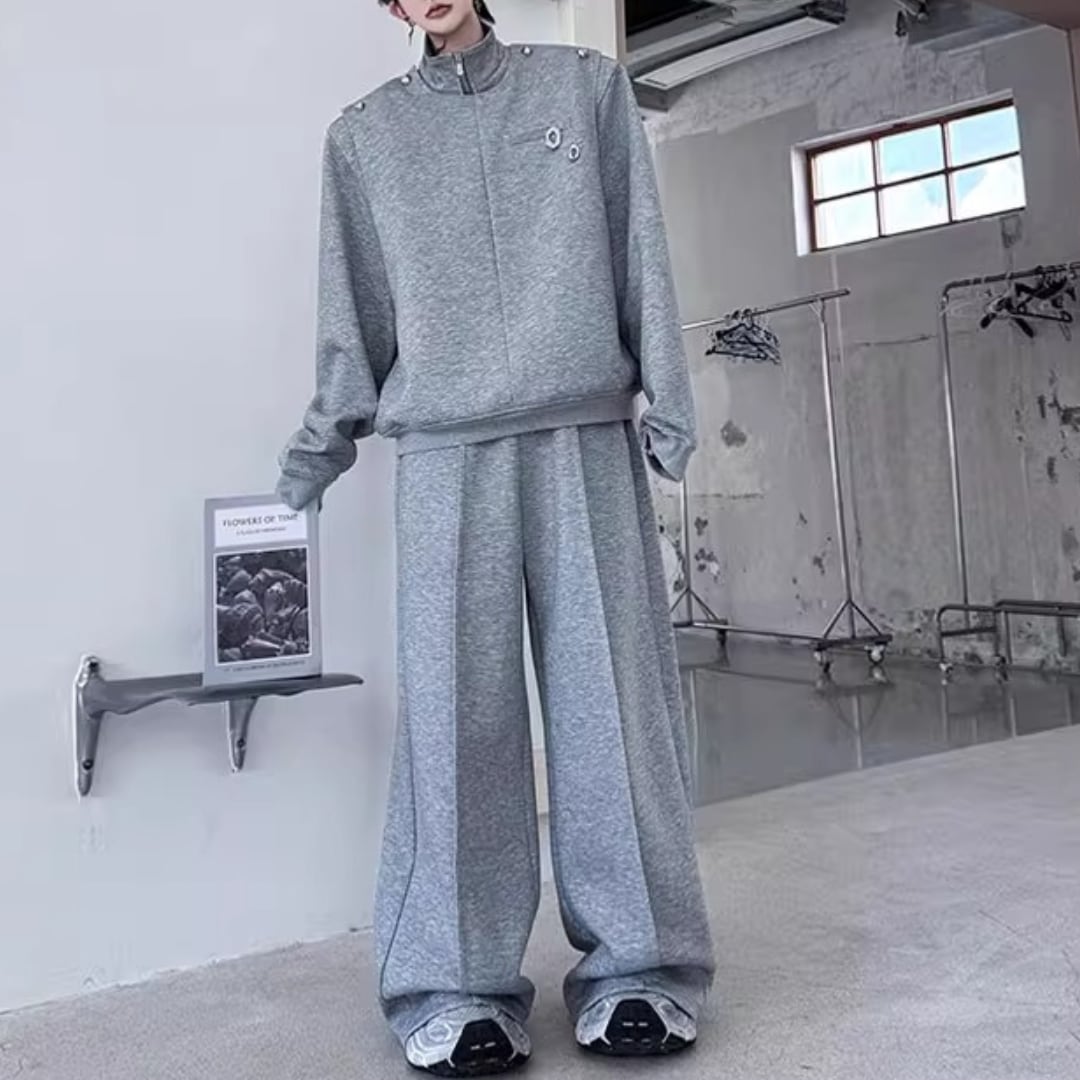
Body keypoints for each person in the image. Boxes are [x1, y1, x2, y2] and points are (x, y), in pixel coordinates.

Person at [276, 0, 715, 1074]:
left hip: (583, 437)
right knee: (455, 722)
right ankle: (454, 987)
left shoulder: (585, 88)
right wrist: (315, 456)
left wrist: (669, 403)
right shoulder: (366, 137)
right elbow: (352, 314)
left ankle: (642, 971)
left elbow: (640, 246)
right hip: (444, 456)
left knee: (616, 711)